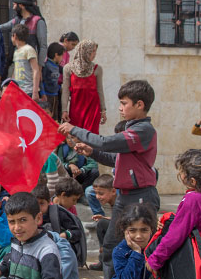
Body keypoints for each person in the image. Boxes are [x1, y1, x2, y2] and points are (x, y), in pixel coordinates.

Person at [59, 79, 158, 279]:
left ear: (140, 105)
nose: (120, 108)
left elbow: (106, 143)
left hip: (140, 196)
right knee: (112, 247)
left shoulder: (144, 130)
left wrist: (75, 129)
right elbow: (114, 158)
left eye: (124, 103)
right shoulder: (132, 129)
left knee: (142, 245)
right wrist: (90, 151)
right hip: (125, 197)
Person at [145, 149, 201, 278]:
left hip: (197, 265)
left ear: (193, 181)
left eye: (182, 172)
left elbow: (175, 235)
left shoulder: (192, 199)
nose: (180, 174)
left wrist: (155, 259)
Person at [0, 192, 62, 279]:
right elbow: (10, 259)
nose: (17, 228)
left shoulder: (47, 252)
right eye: (12, 222)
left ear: (38, 218)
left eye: (23, 220)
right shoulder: (17, 241)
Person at [61, 40, 106, 134]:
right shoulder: (68, 68)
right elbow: (65, 90)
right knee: (76, 134)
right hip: (76, 107)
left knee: (91, 135)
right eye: (92, 51)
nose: (95, 54)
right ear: (85, 51)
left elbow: (99, 90)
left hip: (93, 108)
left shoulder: (97, 69)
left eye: (95, 51)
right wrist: (64, 110)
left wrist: (103, 110)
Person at [33, 183, 83, 264]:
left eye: (42, 203)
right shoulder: (29, 217)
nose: (38, 208)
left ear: (49, 202)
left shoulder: (58, 214)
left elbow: (77, 232)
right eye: (35, 204)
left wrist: (63, 236)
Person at [0, 0, 48, 66]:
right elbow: (1, 28)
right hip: (16, 64)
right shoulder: (16, 21)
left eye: (15, 4)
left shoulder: (38, 21)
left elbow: (43, 46)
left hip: (31, 65)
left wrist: (40, 66)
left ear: (21, 5)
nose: (13, 7)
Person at [112, 203, 157, 279]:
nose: (138, 236)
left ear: (151, 230)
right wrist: (136, 253)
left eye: (144, 230)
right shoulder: (120, 251)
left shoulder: (157, 248)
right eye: (132, 230)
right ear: (124, 230)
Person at [89, 174, 116, 271]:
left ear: (113, 191)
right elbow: (116, 219)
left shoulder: (119, 203)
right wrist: (104, 217)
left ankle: (104, 257)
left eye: (101, 193)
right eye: (96, 193)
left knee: (101, 224)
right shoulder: (113, 202)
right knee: (102, 222)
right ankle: (103, 258)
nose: (97, 197)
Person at [11, 24, 41, 103]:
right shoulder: (16, 51)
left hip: (28, 90)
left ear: (14, 36)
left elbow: (36, 70)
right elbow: (15, 71)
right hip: (18, 90)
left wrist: (35, 92)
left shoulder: (29, 49)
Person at [41, 43, 64, 114]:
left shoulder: (57, 67)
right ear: (56, 55)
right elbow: (41, 81)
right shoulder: (46, 66)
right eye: (62, 55)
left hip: (55, 96)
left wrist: (59, 87)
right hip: (47, 97)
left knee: (54, 116)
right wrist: (43, 93)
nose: (62, 58)